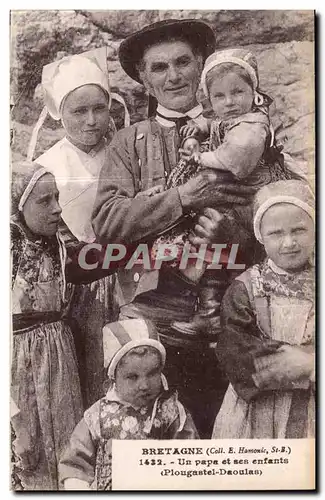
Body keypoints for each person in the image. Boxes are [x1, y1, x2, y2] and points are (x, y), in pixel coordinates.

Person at [92, 19, 259, 438]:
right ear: (146, 82)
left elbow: (282, 214)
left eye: (183, 62)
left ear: (201, 66)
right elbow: (108, 223)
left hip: (231, 314)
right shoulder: (128, 142)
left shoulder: (241, 131)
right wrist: (182, 198)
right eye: (160, 68)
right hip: (152, 321)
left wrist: (232, 231)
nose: (174, 75)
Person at [153, 47, 295, 336]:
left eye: (238, 93)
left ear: (253, 92)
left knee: (216, 244)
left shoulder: (253, 126)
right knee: (210, 244)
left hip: (248, 198)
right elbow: (209, 122)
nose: (229, 102)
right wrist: (194, 133)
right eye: (219, 96)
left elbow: (234, 160)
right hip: (231, 195)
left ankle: (217, 312)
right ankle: (209, 309)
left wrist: (199, 158)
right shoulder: (228, 116)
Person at [34, 48, 129, 408]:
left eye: (98, 109)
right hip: (79, 285)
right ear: (60, 115)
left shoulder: (124, 150)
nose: (91, 120)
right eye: (79, 111)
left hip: (127, 271)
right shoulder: (48, 165)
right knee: (88, 368)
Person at [212, 180, 315, 438]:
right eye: (276, 233)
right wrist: (298, 365)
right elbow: (234, 350)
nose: (289, 242)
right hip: (258, 412)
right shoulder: (247, 288)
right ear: (260, 236)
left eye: (299, 230)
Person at [11, 161, 84, 490]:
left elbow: (102, 258)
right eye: (44, 201)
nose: (57, 209)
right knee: (28, 458)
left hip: (58, 363)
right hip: (17, 368)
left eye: (57, 197)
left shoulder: (58, 247)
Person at [59, 319, 198, 490]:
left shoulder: (170, 411)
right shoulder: (99, 415)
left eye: (152, 373)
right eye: (132, 377)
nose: (144, 385)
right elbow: (75, 464)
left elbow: (190, 457)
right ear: (114, 378)